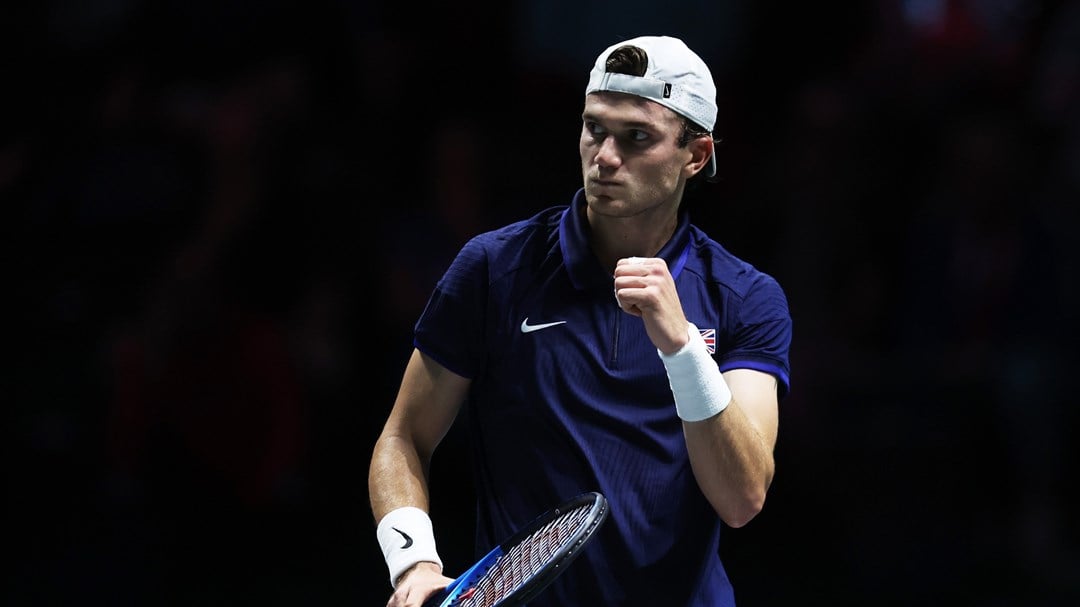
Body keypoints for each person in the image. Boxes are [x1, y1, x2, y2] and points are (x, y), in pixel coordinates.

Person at [368, 35, 793, 607]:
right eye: (595, 128)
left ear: (695, 155)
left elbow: (742, 499)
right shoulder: (495, 269)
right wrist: (413, 560)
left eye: (637, 137)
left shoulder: (745, 297)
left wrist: (681, 348)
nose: (606, 156)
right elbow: (403, 436)